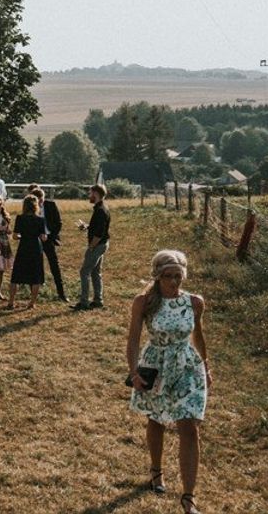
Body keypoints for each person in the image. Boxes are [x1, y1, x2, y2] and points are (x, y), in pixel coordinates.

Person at [126, 250, 210, 514]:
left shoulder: (194, 302)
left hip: (187, 366)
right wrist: (134, 371)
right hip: (156, 365)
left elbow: (199, 336)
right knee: (157, 420)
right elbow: (133, 339)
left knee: (189, 426)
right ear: (158, 276)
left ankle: (188, 497)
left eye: (178, 276)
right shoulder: (145, 302)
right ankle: (156, 470)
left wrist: (206, 367)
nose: (174, 282)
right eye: (168, 276)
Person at [72, 183, 111, 311]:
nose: (89, 195)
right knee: (95, 272)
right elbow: (99, 227)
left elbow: (99, 234)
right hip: (102, 244)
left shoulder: (100, 211)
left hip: (98, 245)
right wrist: (87, 227)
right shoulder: (102, 208)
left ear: (96, 194)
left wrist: (91, 247)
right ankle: (98, 300)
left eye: (90, 193)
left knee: (84, 272)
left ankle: (84, 302)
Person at [28, 185, 67, 302]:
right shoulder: (30, 208)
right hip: (35, 240)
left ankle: (61, 293)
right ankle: (33, 293)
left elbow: (58, 223)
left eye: (41, 200)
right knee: (34, 265)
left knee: (54, 265)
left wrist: (50, 236)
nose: (40, 203)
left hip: (49, 239)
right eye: (37, 201)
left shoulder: (51, 205)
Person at [9, 195, 46, 310]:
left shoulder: (20, 218)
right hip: (36, 247)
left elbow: (15, 236)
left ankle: (11, 302)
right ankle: (32, 303)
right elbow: (44, 237)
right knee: (35, 276)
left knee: (16, 275)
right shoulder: (40, 219)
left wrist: (22, 236)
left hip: (23, 246)